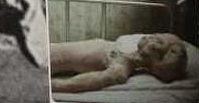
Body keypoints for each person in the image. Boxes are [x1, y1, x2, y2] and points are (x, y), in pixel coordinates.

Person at [48, 34, 189, 94]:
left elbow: (93, 81)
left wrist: (56, 85)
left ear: (154, 52)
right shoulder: (120, 50)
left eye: (158, 41)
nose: (150, 37)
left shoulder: (120, 69)